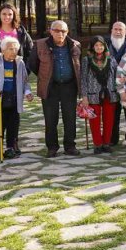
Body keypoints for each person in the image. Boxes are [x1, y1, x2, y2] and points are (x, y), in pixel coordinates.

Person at [29, 20, 82, 158]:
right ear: (51, 31)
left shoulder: (75, 45)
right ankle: (52, 147)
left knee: (70, 118)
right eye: (57, 30)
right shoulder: (40, 45)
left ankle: (70, 146)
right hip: (50, 87)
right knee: (50, 119)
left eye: (63, 31)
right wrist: (45, 77)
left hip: (69, 86)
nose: (60, 33)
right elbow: (33, 64)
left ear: (67, 32)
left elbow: (79, 65)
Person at [0, 38, 33, 160]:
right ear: (3, 50)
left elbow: (25, 81)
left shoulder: (20, 63)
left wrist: (28, 92)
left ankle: (10, 148)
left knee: (13, 125)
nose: (14, 51)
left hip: (14, 99)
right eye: (11, 48)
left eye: (16, 49)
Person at [80, 35, 119, 154]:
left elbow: (117, 75)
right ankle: (97, 144)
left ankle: (106, 143)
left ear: (105, 46)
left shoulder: (111, 59)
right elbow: (83, 79)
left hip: (109, 94)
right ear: (92, 47)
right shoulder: (86, 60)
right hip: (93, 95)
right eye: (96, 45)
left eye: (101, 45)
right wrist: (84, 96)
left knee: (109, 120)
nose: (99, 47)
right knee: (94, 121)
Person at [105, 22, 126, 146]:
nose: (118, 32)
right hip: (110, 87)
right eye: (115, 29)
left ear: (125, 32)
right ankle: (112, 139)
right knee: (112, 115)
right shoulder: (104, 44)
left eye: (120, 29)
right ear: (111, 31)